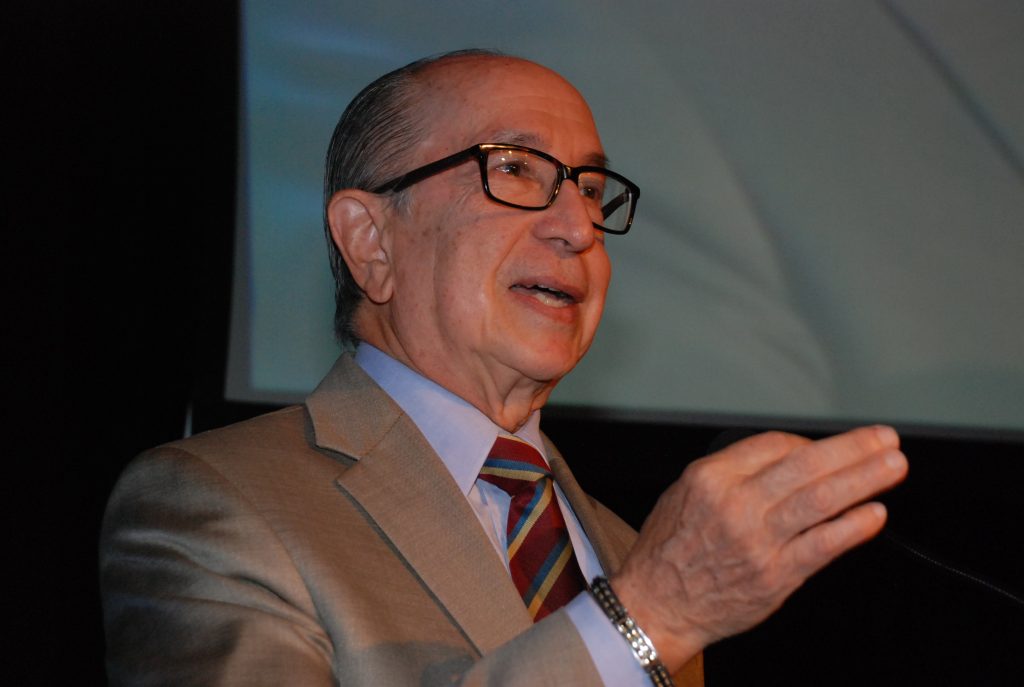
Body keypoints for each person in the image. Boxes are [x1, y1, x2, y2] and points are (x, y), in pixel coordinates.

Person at [100, 50, 908, 686]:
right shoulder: (217, 505)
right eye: (516, 168)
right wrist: (645, 617)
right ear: (371, 242)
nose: (579, 227)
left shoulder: (632, 551)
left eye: (591, 189)